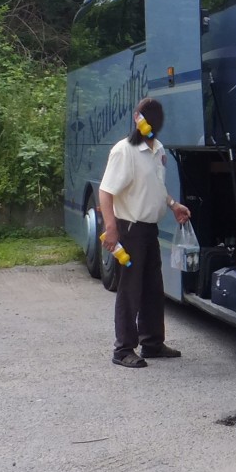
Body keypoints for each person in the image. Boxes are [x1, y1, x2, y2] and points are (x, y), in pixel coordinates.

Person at [99, 97, 191, 368]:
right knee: (130, 290)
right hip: (129, 229)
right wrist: (111, 228)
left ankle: (152, 342)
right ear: (137, 119)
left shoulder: (158, 148)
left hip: (150, 229)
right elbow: (106, 192)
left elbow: (156, 187)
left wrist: (173, 205)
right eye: (142, 116)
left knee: (153, 287)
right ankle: (123, 350)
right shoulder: (124, 151)